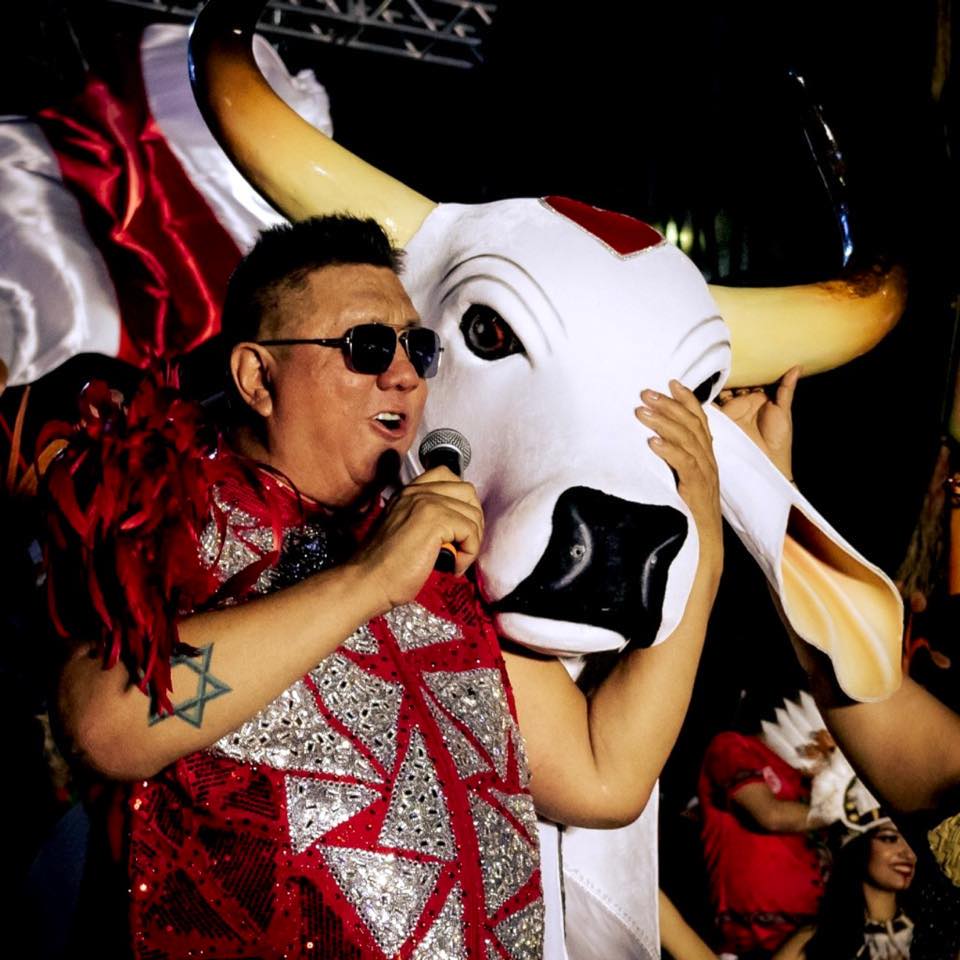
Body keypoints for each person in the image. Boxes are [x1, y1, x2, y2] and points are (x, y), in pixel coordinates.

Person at [49, 214, 740, 958]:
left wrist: (704, 544)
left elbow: (605, 776)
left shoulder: (436, 559)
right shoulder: (174, 509)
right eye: (367, 347)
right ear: (257, 377)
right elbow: (105, 727)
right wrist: (370, 578)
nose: (405, 375)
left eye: (419, 347)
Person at [697, 717, 830, 956]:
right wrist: (846, 811)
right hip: (749, 940)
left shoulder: (817, 772)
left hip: (814, 935)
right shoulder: (733, 746)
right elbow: (769, 815)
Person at [773, 821, 917, 960]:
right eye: (889, 838)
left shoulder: (926, 929)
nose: (909, 854)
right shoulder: (818, 937)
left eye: (912, 840)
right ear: (856, 846)